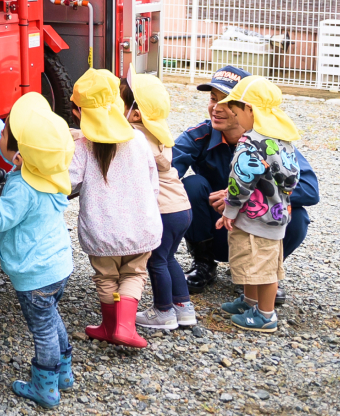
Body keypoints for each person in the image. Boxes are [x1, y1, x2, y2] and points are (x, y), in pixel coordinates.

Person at [0, 92, 76, 410]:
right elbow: (19, 155)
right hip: (58, 264)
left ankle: (46, 385)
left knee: (42, 328)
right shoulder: (49, 170)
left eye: (7, 130)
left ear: (21, 158)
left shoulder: (23, 187)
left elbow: (1, 219)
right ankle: (64, 372)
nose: (4, 131)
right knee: (52, 318)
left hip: (35, 274)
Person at [172, 66, 320, 301]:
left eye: (226, 101)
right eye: (212, 99)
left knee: (298, 216)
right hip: (220, 228)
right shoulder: (198, 135)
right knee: (191, 185)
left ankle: (262, 274)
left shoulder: (272, 140)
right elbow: (166, 172)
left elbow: (310, 190)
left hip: (260, 227)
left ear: (246, 108)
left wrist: (242, 198)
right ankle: (203, 263)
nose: (216, 108)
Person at [68, 69, 161, 349]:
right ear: (119, 105)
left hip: (102, 232)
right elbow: (152, 183)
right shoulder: (139, 140)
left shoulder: (83, 146)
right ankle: (123, 326)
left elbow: (69, 182)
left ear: (77, 112)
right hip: (139, 227)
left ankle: (110, 326)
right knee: (133, 274)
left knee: (106, 278)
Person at [213, 76, 301, 333]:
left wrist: (230, 209)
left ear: (250, 110)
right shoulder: (281, 139)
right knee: (261, 263)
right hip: (276, 214)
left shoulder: (250, 143)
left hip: (253, 217)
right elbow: (293, 178)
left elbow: (240, 181)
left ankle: (265, 315)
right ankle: (249, 302)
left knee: (261, 269)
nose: (234, 116)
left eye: (236, 111)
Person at [121, 66, 196, 331]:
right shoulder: (159, 132)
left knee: (156, 261)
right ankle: (184, 309)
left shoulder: (135, 137)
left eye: (120, 102)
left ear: (136, 113)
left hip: (164, 210)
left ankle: (163, 311)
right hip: (181, 208)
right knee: (169, 258)